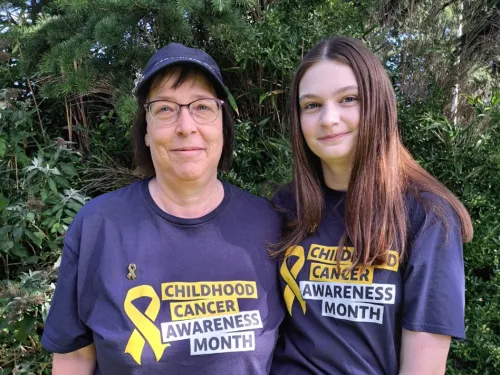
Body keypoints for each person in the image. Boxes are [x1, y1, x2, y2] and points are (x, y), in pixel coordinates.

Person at [41, 43, 284, 375]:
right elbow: (75, 357)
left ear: (223, 127)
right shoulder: (99, 226)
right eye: (166, 109)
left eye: (202, 107)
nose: (186, 126)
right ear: (146, 130)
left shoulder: (270, 226)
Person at [270, 36, 473, 375]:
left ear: (378, 103)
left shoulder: (427, 216)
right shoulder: (285, 208)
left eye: (348, 99)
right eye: (312, 105)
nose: (329, 119)